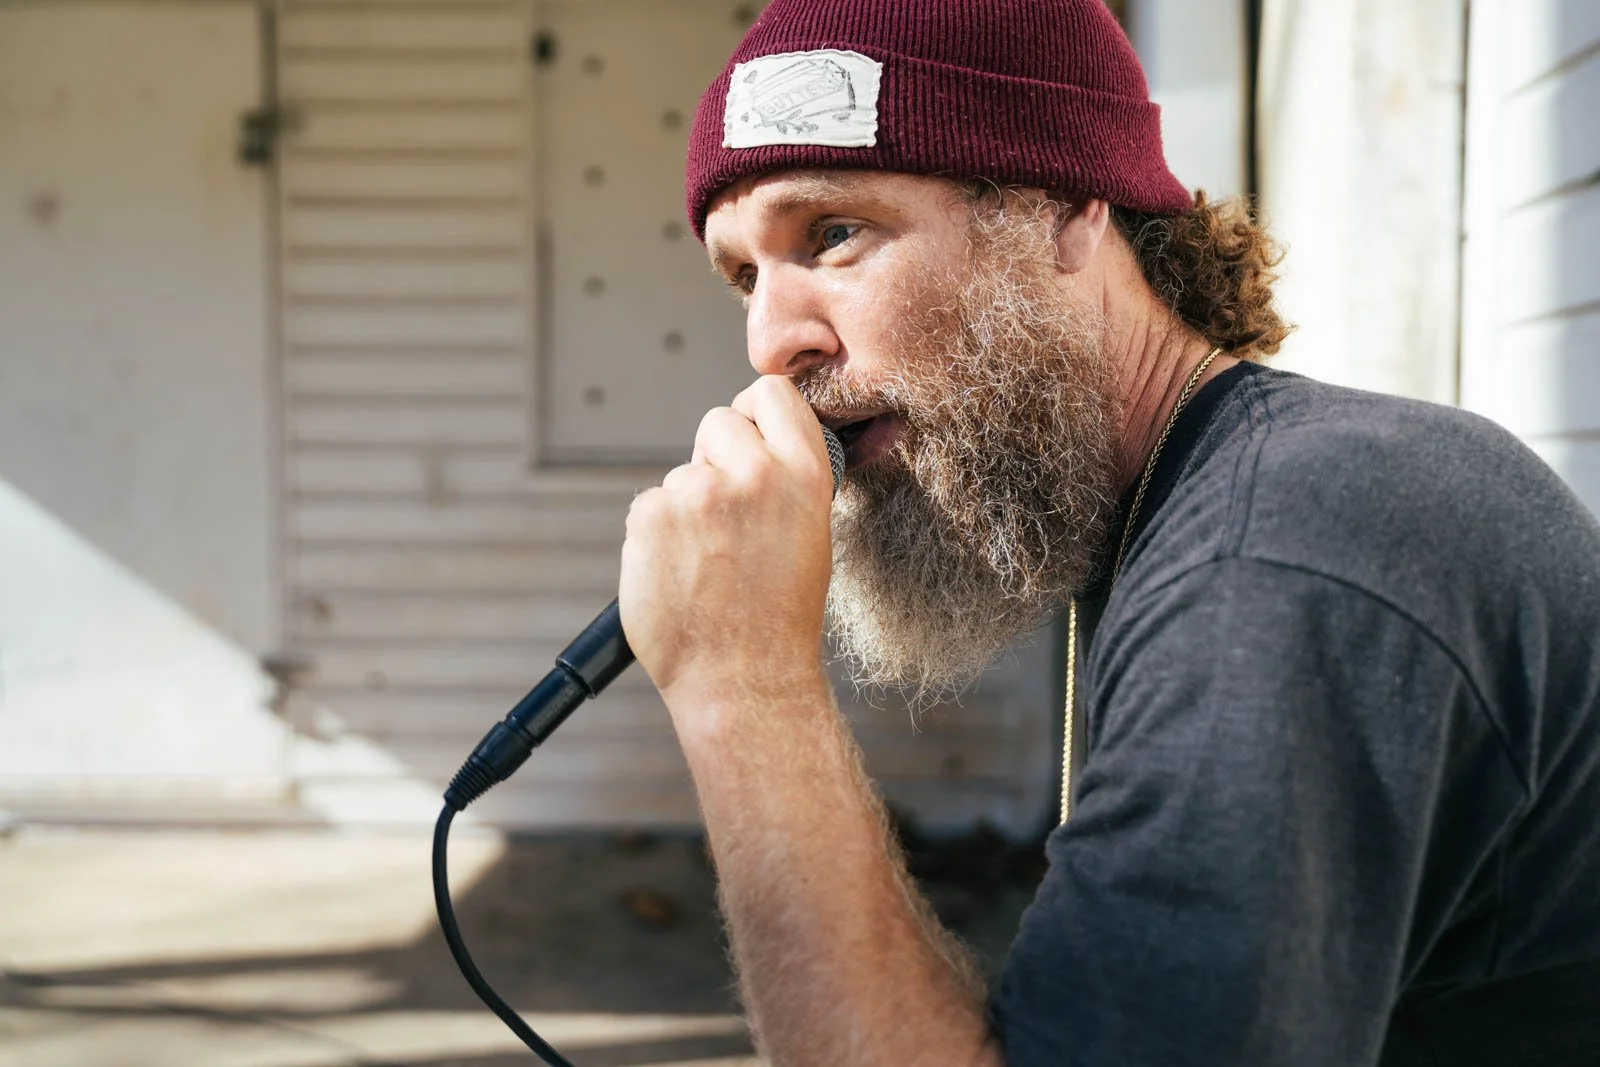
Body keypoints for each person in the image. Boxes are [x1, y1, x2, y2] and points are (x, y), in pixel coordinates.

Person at [615, 1, 1600, 1064]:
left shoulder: (1279, 559)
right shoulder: (1187, 497)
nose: (772, 341)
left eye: (834, 233)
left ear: (1067, 207)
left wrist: (741, 680)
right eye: (745, 275)